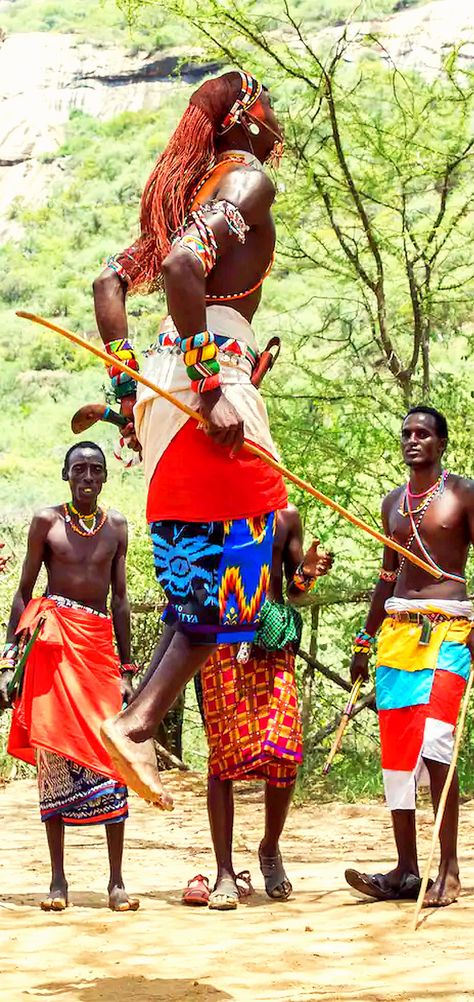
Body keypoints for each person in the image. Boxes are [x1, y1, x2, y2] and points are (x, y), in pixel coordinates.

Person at [92, 69, 288, 808]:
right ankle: (140, 723)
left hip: (165, 402)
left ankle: (134, 720)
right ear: (240, 118)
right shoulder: (247, 178)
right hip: (214, 387)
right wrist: (210, 389)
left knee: (207, 585)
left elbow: (110, 283)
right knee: (243, 569)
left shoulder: (185, 207)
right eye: (267, 108)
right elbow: (181, 268)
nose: (277, 126)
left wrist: (128, 399)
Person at [0, 442, 139, 913]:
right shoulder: (46, 522)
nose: (87, 476)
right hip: (53, 646)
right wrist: (8, 657)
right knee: (54, 755)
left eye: (95, 470)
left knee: (110, 756)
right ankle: (58, 880)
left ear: (104, 478)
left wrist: (127, 667)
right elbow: (23, 593)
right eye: (78, 468)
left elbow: (119, 601)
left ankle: (116, 881)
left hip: (98, 647)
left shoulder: (117, 526)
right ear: (65, 474)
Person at [344, 406, 474, 908]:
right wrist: (363, 639)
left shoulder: (463, 494)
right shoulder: (392, 504)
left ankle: (450, 870)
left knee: (438, 743)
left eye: (423, 434)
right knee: (398, 756)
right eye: (407, 434)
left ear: (442, 443)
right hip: (397, 636)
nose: (413, 440)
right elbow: (386, 577)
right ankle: (405, 870)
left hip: (450, 633)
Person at [182, 504, 333, 910]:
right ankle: (225, 872)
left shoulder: (284, 516)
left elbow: (295, 589)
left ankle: (269, 847)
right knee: (223, 756)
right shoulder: (207, 510)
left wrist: (309, 571)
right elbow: (187, 576)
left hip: (271, 640)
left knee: (284, 750)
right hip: (221, 641)